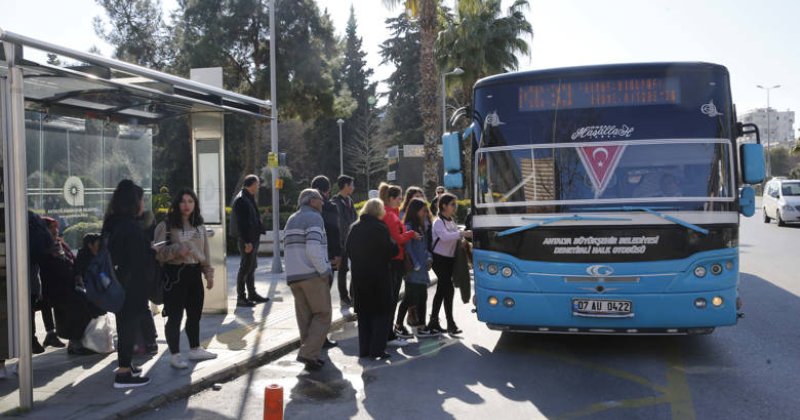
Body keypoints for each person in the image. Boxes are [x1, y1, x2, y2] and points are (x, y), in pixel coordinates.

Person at [155, 189, 217, 369]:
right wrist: (176, 250)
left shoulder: (199, 226)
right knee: (174, 317)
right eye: (183, 201)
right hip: (174, 275)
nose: (187, 205)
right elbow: (157, 254)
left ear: (195, 204)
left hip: (194, 274)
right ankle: (174, 354)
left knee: (194, 315)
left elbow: (205, 253)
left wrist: (208, 273)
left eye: (191, 201)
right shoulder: (166, 226)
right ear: (176, 204)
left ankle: (195, 349)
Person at [103, 179, 151, 388]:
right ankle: (123, 373)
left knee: (124, 325)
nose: (143, 204)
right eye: (141, 200)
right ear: (134, 202)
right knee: (128, 327)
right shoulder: (130, 227)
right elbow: (137, 260)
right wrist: (152, 251)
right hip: (131, 286)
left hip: (119, 284)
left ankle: (127, 365)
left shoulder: (113, 223)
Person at [284, 189, 333, 371]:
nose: (322, 203)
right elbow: (313, 249)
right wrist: (324, 271)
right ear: (312, 201)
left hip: (294, 276)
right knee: (323, 314)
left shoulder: (291, 219)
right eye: (320, 199)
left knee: (305, 318)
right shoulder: (314, 218)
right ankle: (307, 354)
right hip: (312, 275)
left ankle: (311, 356)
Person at [347, 199, 399, 359]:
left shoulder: (354, 228)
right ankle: (377, 349)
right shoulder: (380, 228)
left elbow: (348, 250)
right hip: (379, 277)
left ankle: (364, 349)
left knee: (364, 315)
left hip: (360, 277)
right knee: (381, 314)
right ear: (378, 211)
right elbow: (392, 250)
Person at [379, 183, 419, 345]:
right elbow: (397, 239)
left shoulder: (392, 213)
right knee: (391, 299)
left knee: (392, 298)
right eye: (399, 197)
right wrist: (410, 234)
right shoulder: (389, 215)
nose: (402, 200)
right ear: (391, 199)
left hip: (396, 260)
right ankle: (388, 335)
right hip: (393, 261)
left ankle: (390, 333)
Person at [428, 193, 472, 335]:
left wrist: (463, 237)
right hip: (439, 260)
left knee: (441, 290)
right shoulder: (438, 222)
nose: (455, 207)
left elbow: (454, 236)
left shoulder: (450, 221)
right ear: (444, 206)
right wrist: (462, 234)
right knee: (448, 290)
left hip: (448, 260)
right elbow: (445, 237)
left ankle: (433, 322)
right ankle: (450, 324)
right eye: (453, 204)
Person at [397, 198, 439, 338]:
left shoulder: (421, 226)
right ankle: (398, 325)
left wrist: (429, 258)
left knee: (422, 296)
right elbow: (408, 248)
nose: (425, 213)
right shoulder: (408, 226)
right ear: (416, 211)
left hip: (421, 268)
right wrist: (416, 264)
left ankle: (422, 326)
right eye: (423, 210)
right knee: (409, 298)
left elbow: (425, 246)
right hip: (414, 269)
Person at [311, 175, 341, 348]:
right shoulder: (329, 206)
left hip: (305, 262)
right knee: (323, 300)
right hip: (325, 257)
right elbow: (334, 230)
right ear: (327, 190)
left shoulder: (302, 207)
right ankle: (321, 337)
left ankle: (310, 336)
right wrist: (337, 254)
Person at [231, 175, 269, 307]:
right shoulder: (242, 199)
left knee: (251, 267)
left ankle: (252, 293)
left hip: (253, 238)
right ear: (252, 184)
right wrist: (247, 242)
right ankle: (241, 297)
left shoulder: (247, 196)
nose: (258, 186)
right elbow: (241, 223)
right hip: (248, 240)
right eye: (257, 184)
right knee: (245, 267)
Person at [28, 211, 54, 354]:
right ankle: (32, 341)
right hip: (32, 275)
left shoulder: (10, 215)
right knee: (29, 311)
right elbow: (48, 245)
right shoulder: (34, 218)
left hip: (15, 275)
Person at [331, 175, 357, 308]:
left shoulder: (349, 201)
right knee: (343, 270)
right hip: (341, 242)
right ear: (346, 186)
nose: (353, 187)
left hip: (352, 241)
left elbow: (355, 219)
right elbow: (339, 224)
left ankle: (354, 295)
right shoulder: (336, 202)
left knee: (356, 268)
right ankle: (344, 297)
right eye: (351, 185)